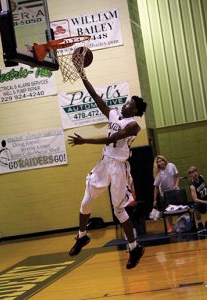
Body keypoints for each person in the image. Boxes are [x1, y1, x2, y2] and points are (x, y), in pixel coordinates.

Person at [67, 71, 147, 269]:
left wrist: (85, 140)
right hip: (104, 163)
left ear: (134, 109)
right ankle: (82, 236)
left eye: (129, 103)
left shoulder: (133, 125)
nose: (125, 103)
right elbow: (95, 97)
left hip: (119, 168)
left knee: (119, 209)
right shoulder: (113, 114)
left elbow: (112, 139)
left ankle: (134, 247)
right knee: (85, 202)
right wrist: (82, 75)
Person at [153, 155, 180, 233]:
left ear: (164, 160)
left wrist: (176, 185)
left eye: (162, 160)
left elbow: (177, 176)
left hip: (174, 191)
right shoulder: (158, 173)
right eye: (159, 161)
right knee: (168, 211)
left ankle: (180, 223)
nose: (161, 162)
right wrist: (154, 200)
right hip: (165, 194)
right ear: (157, 164)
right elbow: (156, 187)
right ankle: (171, 226)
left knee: (178, 208)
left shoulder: (171, 166)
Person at [188, 166, 207, 232]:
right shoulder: (192, 185)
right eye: (192, 172)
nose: (195, 173)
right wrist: (205, 202)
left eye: (195, 171)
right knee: (196, 205)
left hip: (205, 197)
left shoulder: (201, 177)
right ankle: (200, 224)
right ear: (190, 175)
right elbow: (195, 199)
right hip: (200, 201)